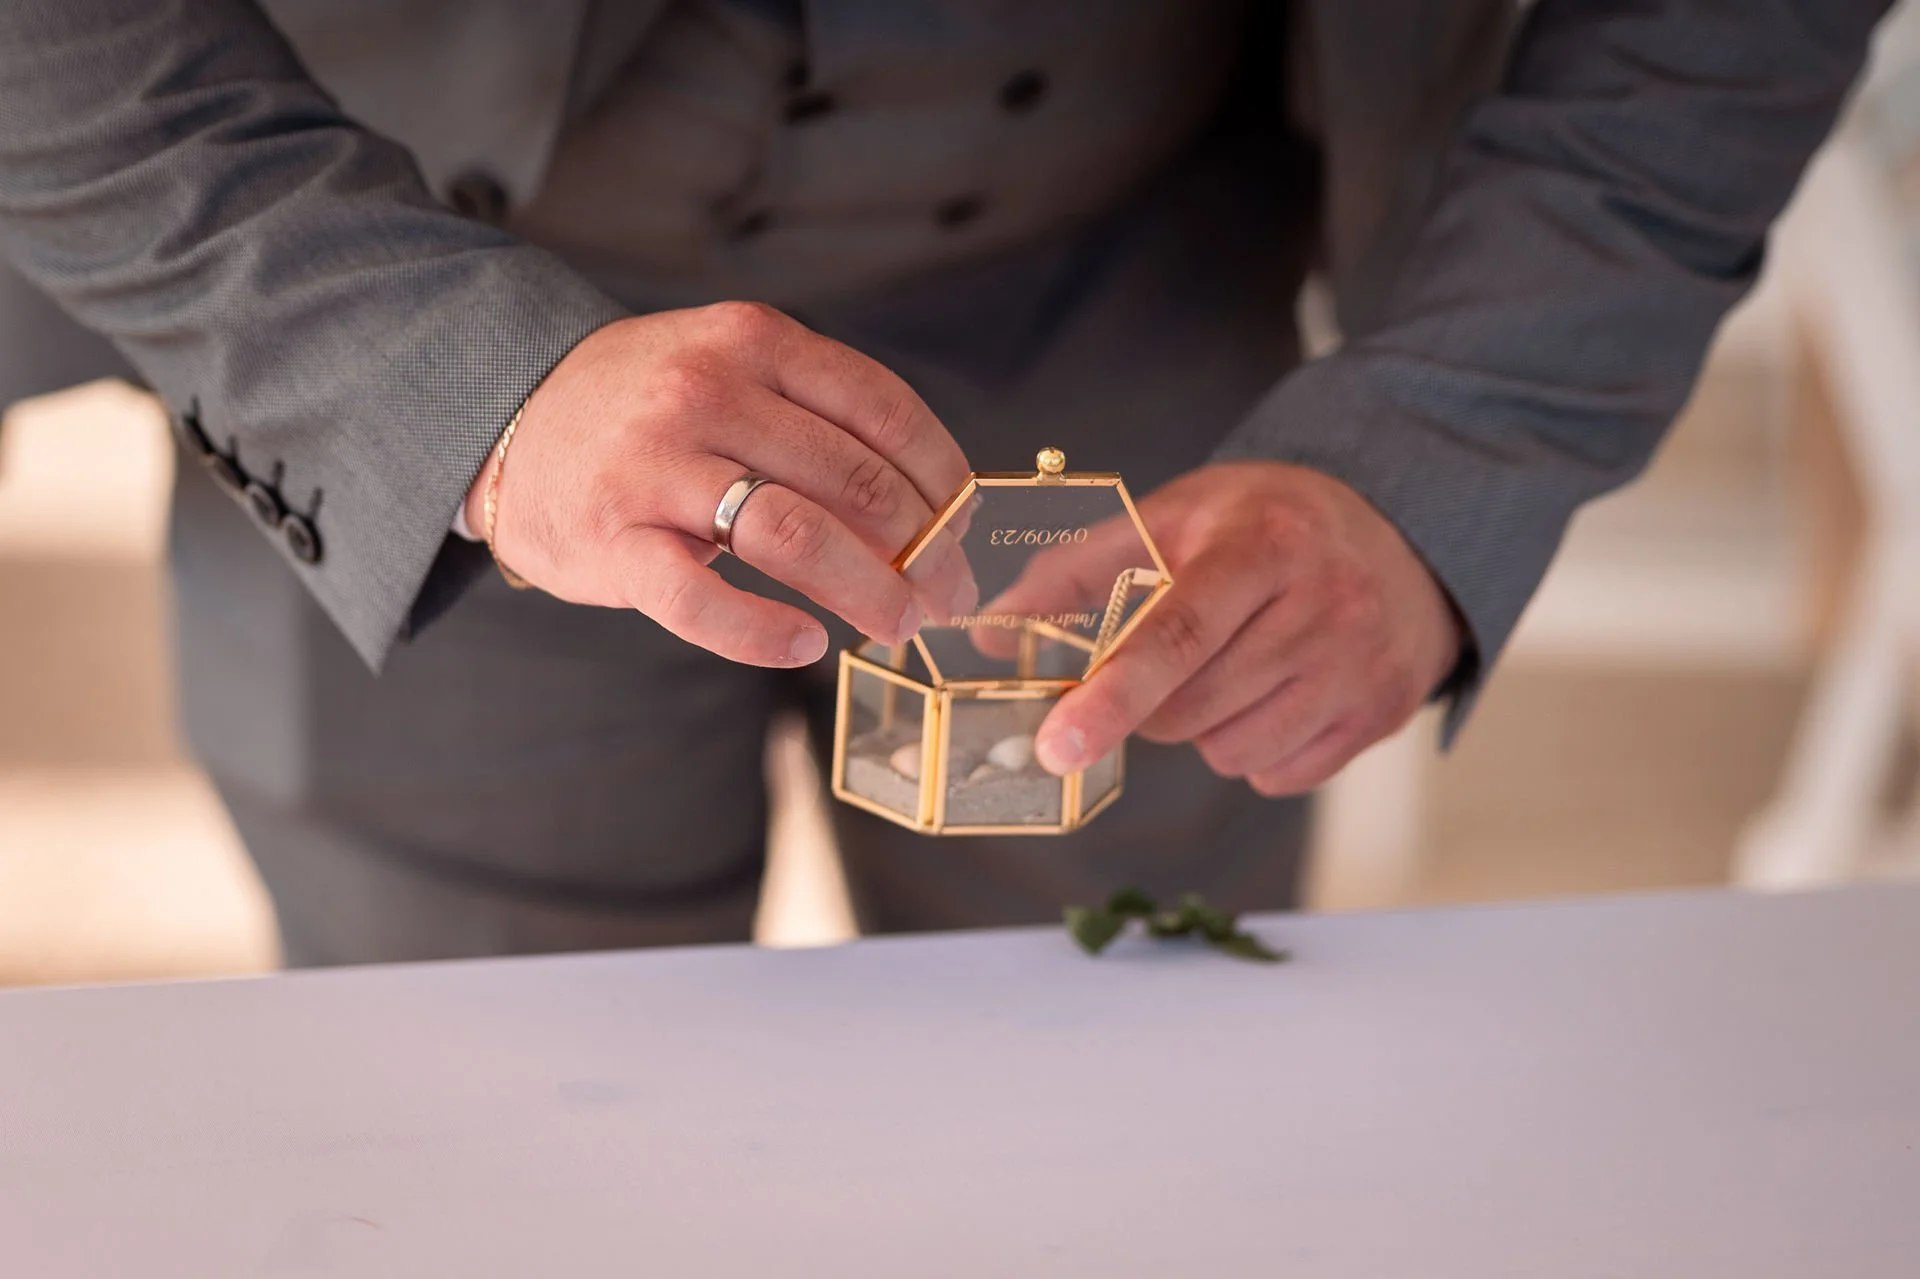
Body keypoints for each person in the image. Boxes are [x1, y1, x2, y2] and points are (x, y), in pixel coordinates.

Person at [0, 0, 1891, 964]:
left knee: (1118, 1098)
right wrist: (447, 392)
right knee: (493, 1155)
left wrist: (1433, 441)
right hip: (416, 308)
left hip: (1145, 314)